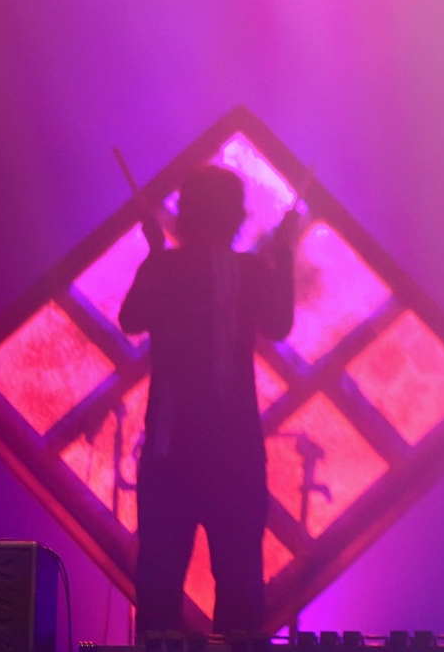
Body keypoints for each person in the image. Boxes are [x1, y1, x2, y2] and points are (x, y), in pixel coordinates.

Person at [120, 164, 299, 636]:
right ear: (234, 217)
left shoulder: (165, 268)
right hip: (235, 455)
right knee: (240, 591)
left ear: (187, 211)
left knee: (158, 591)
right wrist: (285, 251)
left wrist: (155, 255)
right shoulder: (249, 273)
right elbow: (279, 325)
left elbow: (130, 319)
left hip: (168, 453)